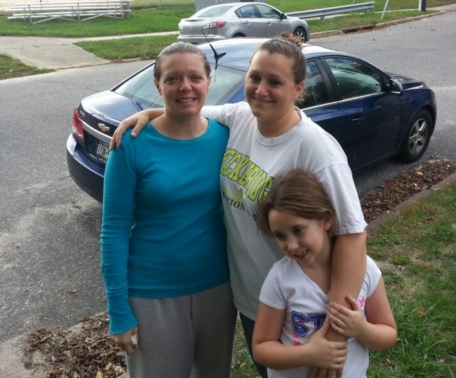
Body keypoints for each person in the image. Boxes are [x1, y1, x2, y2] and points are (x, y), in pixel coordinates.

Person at [110, 33, 368, 378]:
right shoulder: (241, 117)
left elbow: (353, 234)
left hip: (300, 309)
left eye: (275, 82)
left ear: (298, 89)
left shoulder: (317, 150)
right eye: (255, 77)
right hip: (248, 298)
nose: (261, 90)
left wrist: (335, 328)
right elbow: (189, 109)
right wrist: (150, 113)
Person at [100, 42, 236, 378]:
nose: (185, 86)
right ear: (158, 85)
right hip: (152, 294)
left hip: (218, 288)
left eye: (195, 77)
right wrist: (118, 311)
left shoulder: (227, 137)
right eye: (173, 79)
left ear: (209, 82)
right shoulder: (130, 144)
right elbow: (114, 231)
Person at [252, 169, 397, 378]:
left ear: (325, 221)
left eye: (298, 230)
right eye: (280, 236)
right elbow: (261, 348)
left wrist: (361, 329)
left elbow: (388, 333)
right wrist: (307, 354)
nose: (291, 245)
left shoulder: (366, 269)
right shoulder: (281, 278)